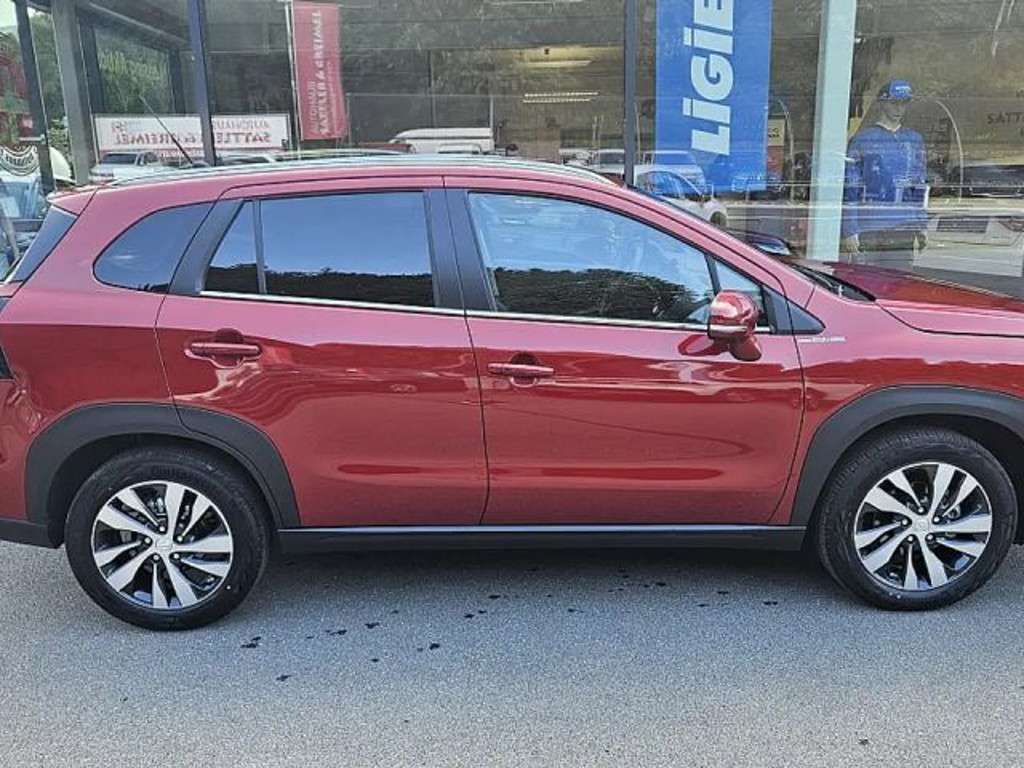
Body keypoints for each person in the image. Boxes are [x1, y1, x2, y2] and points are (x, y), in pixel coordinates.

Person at [841, 79, 928, 268]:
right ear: (882, 103)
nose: (899, 109)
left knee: (899, 278)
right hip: (870, 225)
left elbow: (919, 184)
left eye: (904, 103)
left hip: (903, 225)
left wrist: (921, 224)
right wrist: (850, 228)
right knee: (867, 278)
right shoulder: (863, 139)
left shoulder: (914, 140)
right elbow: (851, 185)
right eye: (894, 103)